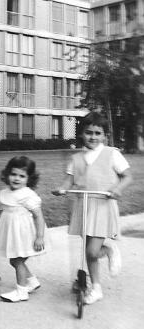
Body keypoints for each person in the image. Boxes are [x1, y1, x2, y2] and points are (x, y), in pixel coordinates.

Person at [53, 111, 132, 305]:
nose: (93, 137)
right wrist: (62, 189)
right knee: (88, 250)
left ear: (105, 136)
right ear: (82, 134)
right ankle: (95, 287)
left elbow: (127, 176)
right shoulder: (76, 158)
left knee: (91, 251)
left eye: (98, 133)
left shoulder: (112, 154)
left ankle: (110, 250)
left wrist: (117, 189)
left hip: (103, 205)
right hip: (84, 206)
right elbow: (69, 180)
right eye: (89, 132)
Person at [0, 156, 47, 303]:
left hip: (25, 234)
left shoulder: (27, 195)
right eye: (13, 174)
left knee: (17, 261)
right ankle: (32, 282)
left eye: (22, 176)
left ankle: (21, 291)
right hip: (12, 232)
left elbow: (38, 216)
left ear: (29, 179)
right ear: (7, 174)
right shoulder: (4, 193)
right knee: (14, 261)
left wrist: (40, 236)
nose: (17, 179)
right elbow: (3, 211)